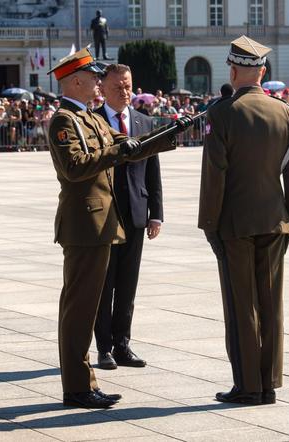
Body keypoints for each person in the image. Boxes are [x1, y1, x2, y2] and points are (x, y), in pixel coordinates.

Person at [46, 47, 193, 409]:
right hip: (84, 225)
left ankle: (83, 385)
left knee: (88, 305)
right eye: (94, 78)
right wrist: (119, 150)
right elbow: (76, 167)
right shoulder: (65, 121)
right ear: (76, 81)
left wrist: (171, 132)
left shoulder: (90, 119)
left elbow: (131, 146)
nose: (99, 82)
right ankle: (78, 387)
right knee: (79, 309)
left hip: (101, 225)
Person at [198, 35, 289, 406]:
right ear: (262, 71)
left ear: (232, 69)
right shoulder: (286, 112)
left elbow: (215, 174)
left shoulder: (222, 113)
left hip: (235, 224)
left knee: (242, 305)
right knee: (271, 304)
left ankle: (247, 385)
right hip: (275, 220)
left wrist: (209, 224)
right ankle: (269, 381)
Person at [93, 63, 163, 371]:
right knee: (104, 283)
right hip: (105, 215)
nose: (125, 92)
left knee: (128, 283)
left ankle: (123, 344)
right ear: (103, 89)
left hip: (136, 212)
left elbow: (152, 169)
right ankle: (104, 347)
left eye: (128, 86)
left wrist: (156, 214)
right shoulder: (92, 122)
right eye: (119, 87)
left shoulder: (143, 122)